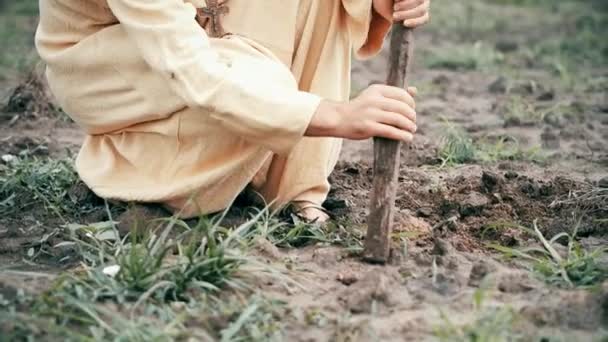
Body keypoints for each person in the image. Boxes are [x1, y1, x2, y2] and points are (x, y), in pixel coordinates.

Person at [36, 0, 430, 222]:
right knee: (253, 74)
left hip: (199, 35)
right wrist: (333, 116)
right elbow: (193, 71)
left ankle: (287, 184)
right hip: (112, 65)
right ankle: (149, 171)